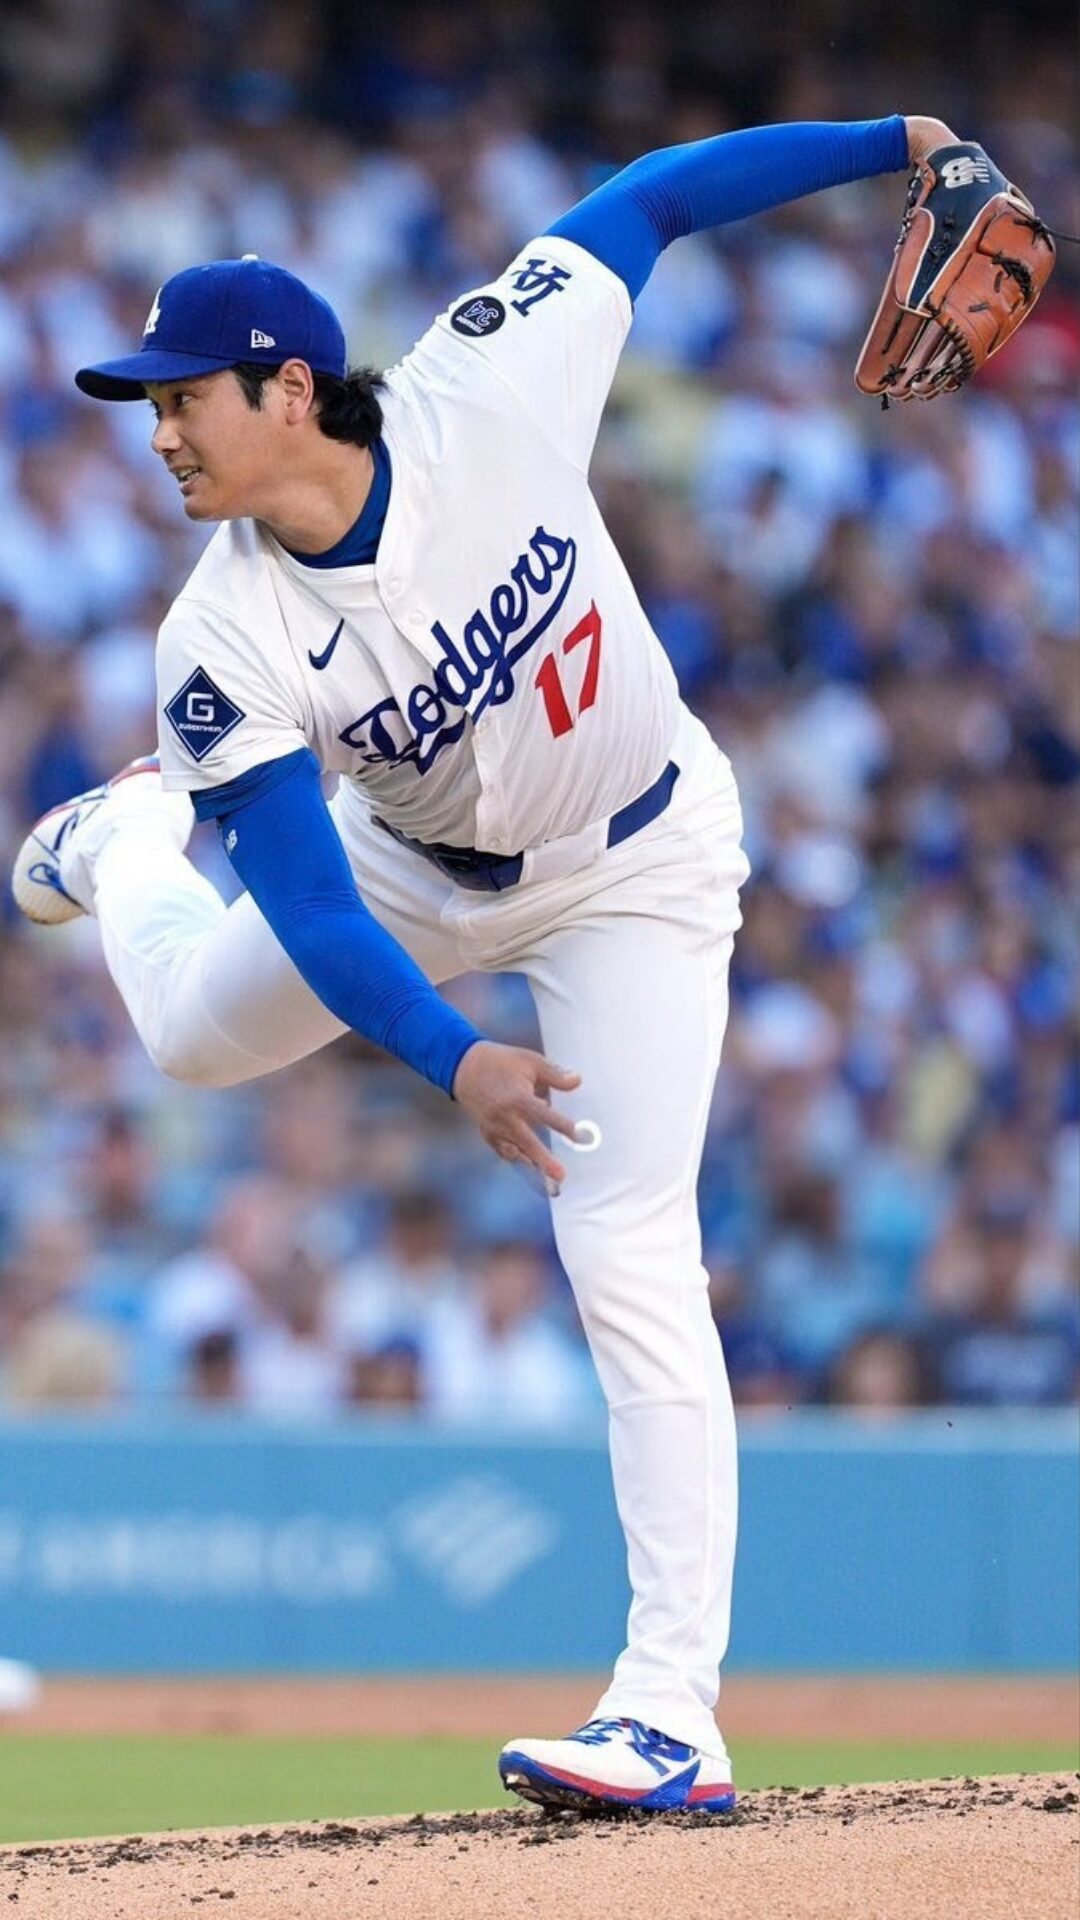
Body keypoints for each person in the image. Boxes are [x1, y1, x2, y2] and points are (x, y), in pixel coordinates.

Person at [13, 111, 959, 1813]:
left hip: (639, 865)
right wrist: (456, 1057)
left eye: (181, 397)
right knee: (187, 1038)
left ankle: (669, 1714)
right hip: (406, 877)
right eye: (147, 404)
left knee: (631, 1248)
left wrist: (896, 139)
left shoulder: (487, 377)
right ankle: (122, 844)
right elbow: (314, 910)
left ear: (287, 387)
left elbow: (654, 197)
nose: (158, 432)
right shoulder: (219, 633)